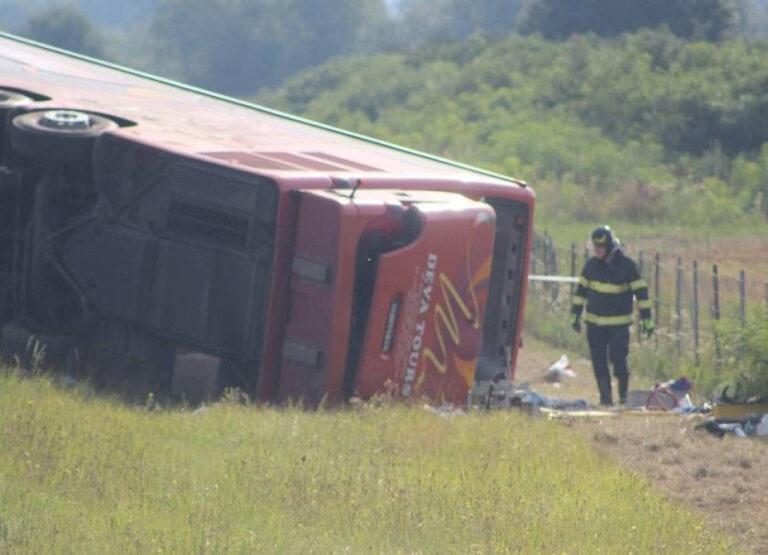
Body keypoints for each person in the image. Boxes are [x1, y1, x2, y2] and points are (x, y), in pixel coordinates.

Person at [570, 226, 654, 406]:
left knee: (619, 358)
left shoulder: (627, 267)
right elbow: (580, 292)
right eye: (595, 247)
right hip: (594, 324)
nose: (597, 251)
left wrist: (647, 319)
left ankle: (623, 395)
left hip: (619, 325)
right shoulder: (591, 266)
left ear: (609, 247)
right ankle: (605, 398)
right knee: (599, 361)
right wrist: (575, 314)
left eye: (600, 247)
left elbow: (641, 294)